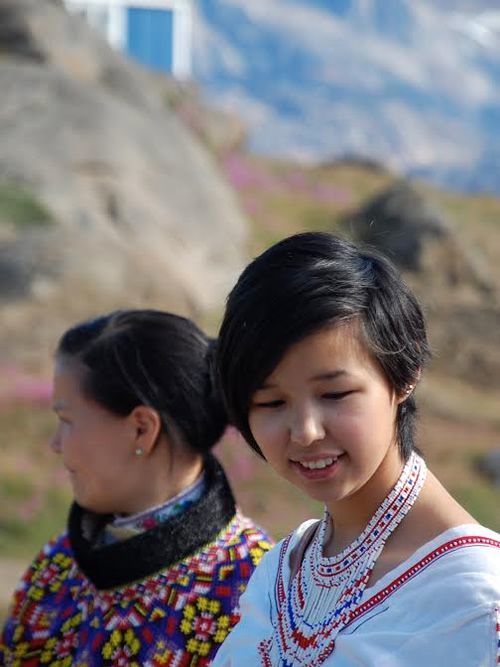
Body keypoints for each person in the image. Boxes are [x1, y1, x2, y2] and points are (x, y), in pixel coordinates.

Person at [212, 232, 500, 666]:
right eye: (271, 403)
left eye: (335, 394)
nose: (305, 431)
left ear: (404, 376)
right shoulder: (278, 572)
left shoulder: (477, 598)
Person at [1, 309, 273, 667]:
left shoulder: (256, 585)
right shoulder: (58, 566)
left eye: (67, 420)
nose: (55, 443)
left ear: (142, 428)